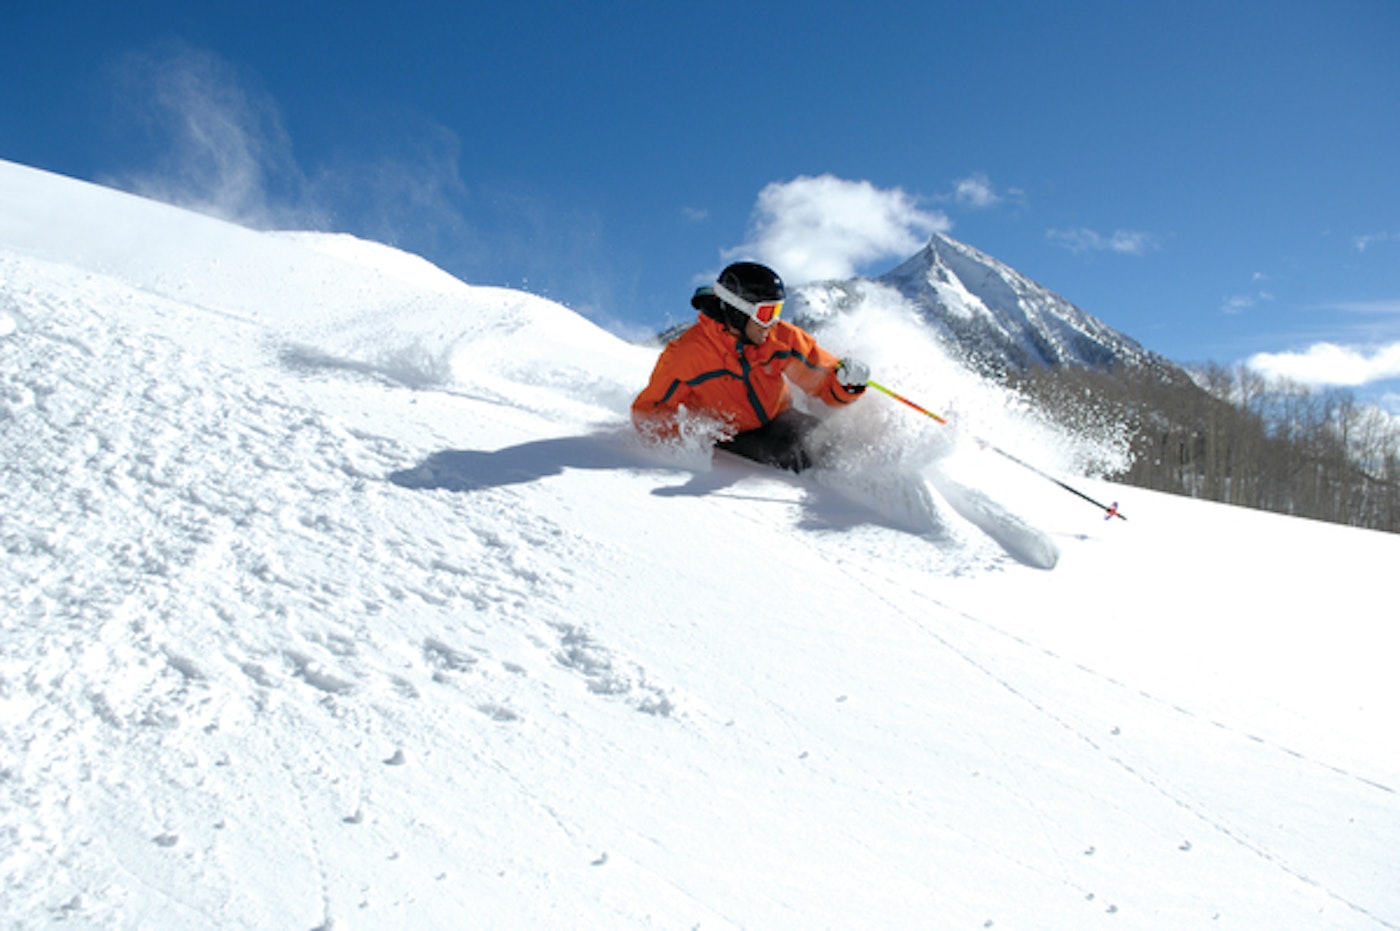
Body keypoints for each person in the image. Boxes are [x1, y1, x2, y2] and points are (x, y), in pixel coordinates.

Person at [632, 261, 870, 473]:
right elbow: (649, 411)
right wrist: (691, 441)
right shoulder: (688, 355)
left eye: (777, 310)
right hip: (733, 437)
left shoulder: (780, 338)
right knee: (797, 458)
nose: (773, 322)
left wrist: (846, 384)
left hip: (781, 418)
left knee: (830, 443)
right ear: (737, 311)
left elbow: (823, 380)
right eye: (766, 313)